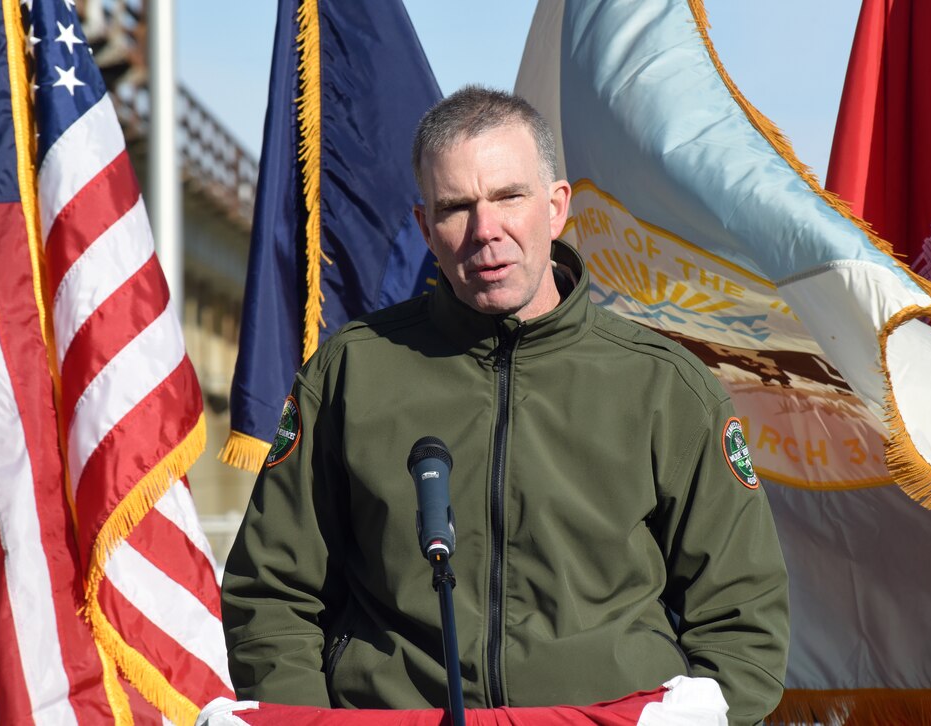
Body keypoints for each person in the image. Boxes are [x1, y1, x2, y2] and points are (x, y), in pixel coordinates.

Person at [221, 86, 790, 725]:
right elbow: (271, 595)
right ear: (423, 229)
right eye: (455, 207)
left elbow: (743, 622)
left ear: (556, 207)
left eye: (508, 197)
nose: (485, 231)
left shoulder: (667, 388)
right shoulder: (351, 373)